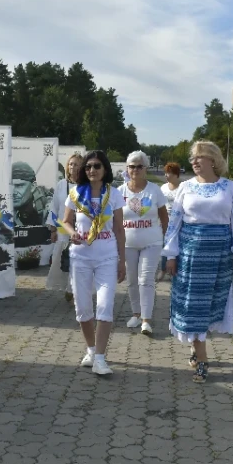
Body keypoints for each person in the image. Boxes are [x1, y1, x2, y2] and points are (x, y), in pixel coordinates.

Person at [164, 141, 233, 383]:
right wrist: (171, 254)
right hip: (190, 254)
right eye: (193, 159)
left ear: (213, 160)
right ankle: (202, 358)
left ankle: (196, 345)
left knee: (211, 305)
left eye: (199, 157)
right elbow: (174, 222)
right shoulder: (185, 187)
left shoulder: (229, 187)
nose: (194, 162)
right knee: (193, 304)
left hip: (219, 254)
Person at [62, 150, 126, 376]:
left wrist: (122, 261)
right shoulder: (75, 194)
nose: (92, 170)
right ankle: (90, 350)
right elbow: (66, 221)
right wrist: (72, 233)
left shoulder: (114, 194)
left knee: (105, 305)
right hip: (81, 256)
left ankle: (100, 358)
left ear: (105, 169)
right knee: (83, 307)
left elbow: (119, 229)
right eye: (88, 166)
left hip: (107, 257)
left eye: (97, 166)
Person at [120, 151, 168, 335]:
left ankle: (146, 320)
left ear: (145, 168)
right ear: (127, 168)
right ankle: (136, 313)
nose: (135, 170)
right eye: (132, 166)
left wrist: (165, 240)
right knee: (132, 280)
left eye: (140, 166)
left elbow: (164, 217)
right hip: (127, 244)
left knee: (146, 279)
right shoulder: (119, 192)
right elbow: (114, 220)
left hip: (152, 243)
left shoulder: (154, 190)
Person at [46, 153, 83, 302]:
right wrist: (53, 229)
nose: (73, 167)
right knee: (62, 259)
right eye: (71, 164)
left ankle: (72, 289)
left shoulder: (86, 186)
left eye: (77, 164)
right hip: (63, 229)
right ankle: (67, 286)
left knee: (78, 260)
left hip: (80, 230)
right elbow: (54, 207)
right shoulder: (62, 184)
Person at [158, 162, 182, 281]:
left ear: (176, 174)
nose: (167, 175)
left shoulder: (182, 187)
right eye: (166, 173)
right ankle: (163, 270)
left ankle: (176, 269)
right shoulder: (163, 187)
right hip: (166, 219)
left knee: (178, 245)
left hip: (179, 220)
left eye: (170, 173)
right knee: (165, 244)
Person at [12, 162, 53, 227]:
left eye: (19, 186)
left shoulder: (48, 207)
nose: (13, 192)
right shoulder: (2, 208)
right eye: (10, 186)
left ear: (33, 186)